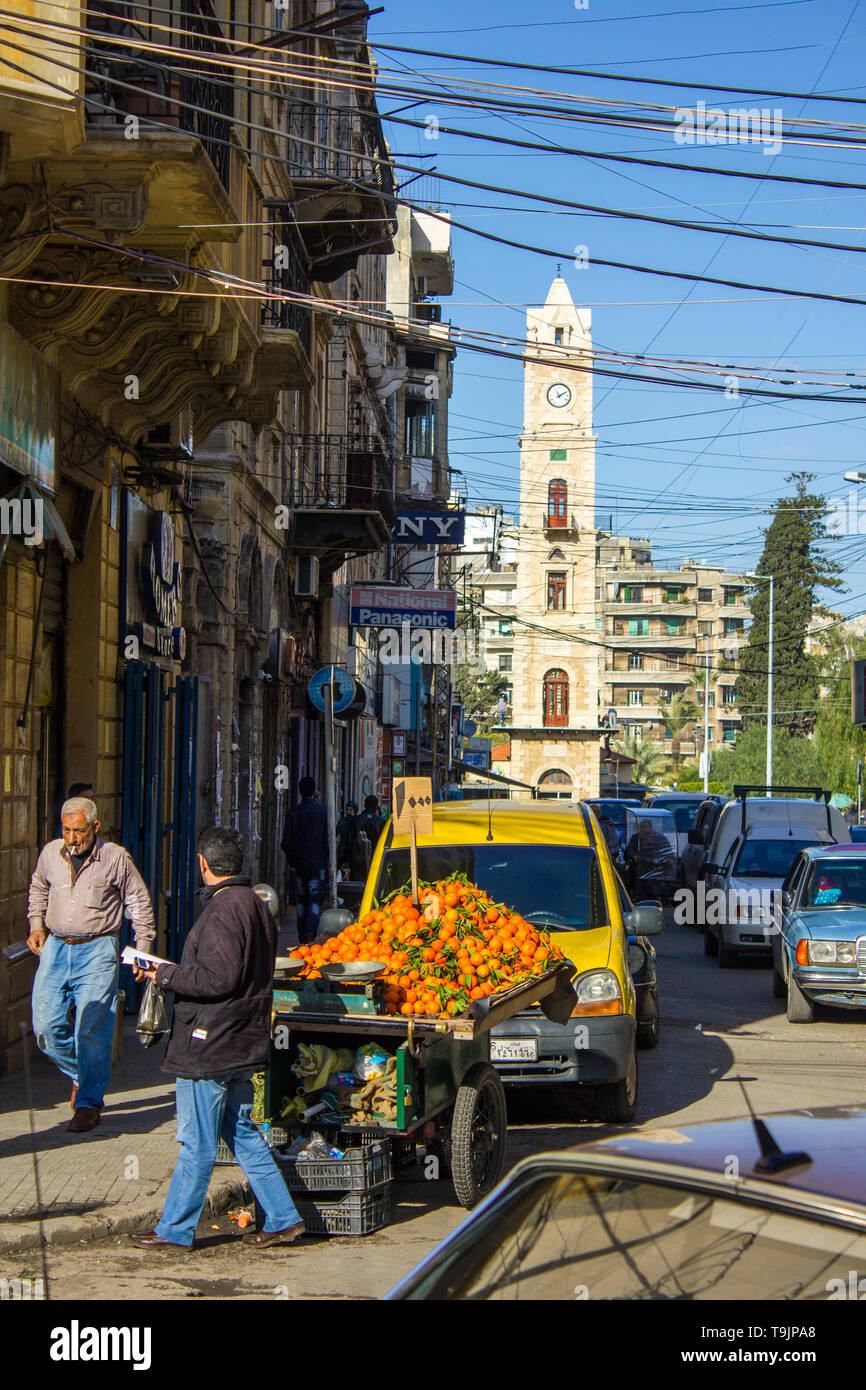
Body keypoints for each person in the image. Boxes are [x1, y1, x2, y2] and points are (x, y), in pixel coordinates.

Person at [128, 827, 304, 1252]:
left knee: (197, 1143)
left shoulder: (224, 911)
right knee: (242, 1132)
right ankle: (283, 1218)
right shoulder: (257, 905)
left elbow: (218, 978)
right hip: (241, 1042)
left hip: (210, 1045)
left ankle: (174, 1230)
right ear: (239, 866)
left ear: (203, 864)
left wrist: (163, 974)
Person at [27, 796, 156, 1133]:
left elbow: (138, 902)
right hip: (55, 948)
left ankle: (88, 1103)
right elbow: (38, 886)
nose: (72, 838)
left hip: (98, 950)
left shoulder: (115, 858)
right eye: (67, 830)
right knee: (45, 1027)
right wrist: (36, 925)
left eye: (79, 831)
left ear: (95, 827)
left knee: (91, 1030)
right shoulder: (50, 853)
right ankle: (80, 1075)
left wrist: (142, 948)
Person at [281, 776, 329, 944]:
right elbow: (327, 839)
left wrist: (292, 862)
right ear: (314, 791)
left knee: (302, 899)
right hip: (318, 863)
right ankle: (310, 935)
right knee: (315, 898)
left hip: (300, 864)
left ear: (300, 792)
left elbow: (286, 842)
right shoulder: (323, 812)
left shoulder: (293, 813)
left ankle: (303, 935)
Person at [336, 800, 358, 869]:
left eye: (350, 810)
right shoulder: (343, 821)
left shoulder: (357, 821)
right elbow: (337, 831)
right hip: (342, 851)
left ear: (354, 811)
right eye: (347, 810)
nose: (348, 812)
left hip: (352, 852)